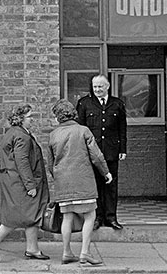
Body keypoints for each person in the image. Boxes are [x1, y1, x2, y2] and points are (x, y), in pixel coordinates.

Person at [48, 99, 113, 266]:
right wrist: (106, 173)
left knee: (67, 217)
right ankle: (85, 253)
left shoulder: (53, 134)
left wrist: (58, 178)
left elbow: (50, 163)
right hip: (83, 180)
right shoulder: (83, 130)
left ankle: (66, 252)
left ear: (58, 117)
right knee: (90, 215)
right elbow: (96, 156)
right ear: (73, 113)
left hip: (63, 182)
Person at [0, 104, 49, 262]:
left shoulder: (13, 133)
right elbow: (22, 161)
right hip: (21, 182)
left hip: (13, 180)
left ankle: (32, 249)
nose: (32, 120)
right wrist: (30, 185)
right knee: (21, 214)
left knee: (31, 213)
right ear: (21, 119)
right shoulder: (22, 136)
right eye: (30, 117)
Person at [76, 74, 127, 231]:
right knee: (96, 186)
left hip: (111, 151)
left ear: (107, 86)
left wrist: (122, 149)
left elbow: (122, 129)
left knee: (111, 186)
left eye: (100, 86)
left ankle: (111, 218)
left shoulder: (117, 104)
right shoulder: (84, 103)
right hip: (92, 153)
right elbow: (80, 129)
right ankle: (97, 218)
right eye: (95, 86)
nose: (97, 89)